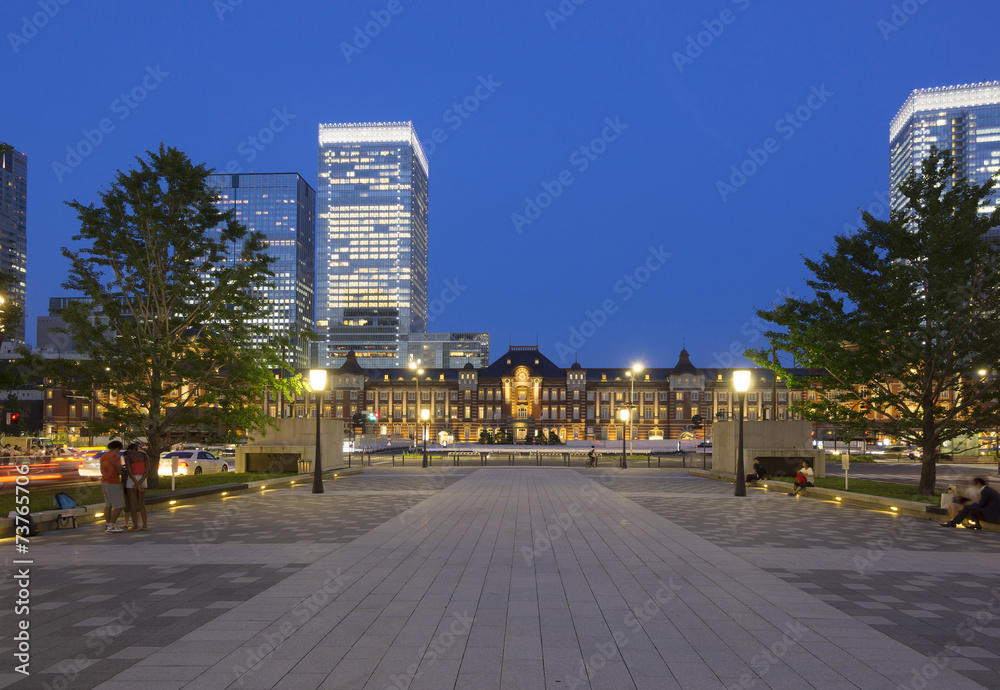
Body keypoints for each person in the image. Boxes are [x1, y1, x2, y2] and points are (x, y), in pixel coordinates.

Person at [100, 440, 126, 533]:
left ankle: (108, 525)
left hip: (104, 481)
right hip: (113, 482)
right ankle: (111, 526)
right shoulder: (115, 456)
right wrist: (123, 469)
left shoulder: (103, 456)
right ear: (117, 448)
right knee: (119, 506)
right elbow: (119, 470)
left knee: (108, 505)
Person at [123, 442, 149, 531]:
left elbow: (129, 471)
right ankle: (145, 525)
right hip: (143, 478)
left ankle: (135, 526)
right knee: (141, 504)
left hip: (132, 479)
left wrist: (136, 483)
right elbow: (148, 470)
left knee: (133, 504)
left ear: (130, 450)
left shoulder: (128, 457)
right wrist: (140, 482)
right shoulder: (145, 456)